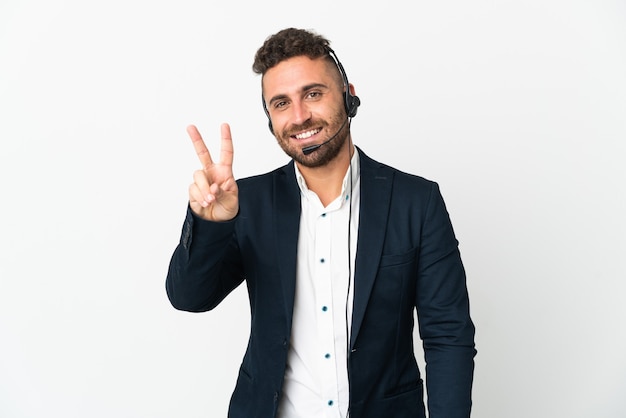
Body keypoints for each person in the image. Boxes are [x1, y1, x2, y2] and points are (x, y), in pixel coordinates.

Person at [166, 27, 476, 418]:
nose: (299, 117)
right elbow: (189, 298)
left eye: (313, 94)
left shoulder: (417, 201)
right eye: (281, 103)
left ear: (348, 96)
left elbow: (448, 335)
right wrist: (209, 222)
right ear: (270, 119)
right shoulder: (248, 203)